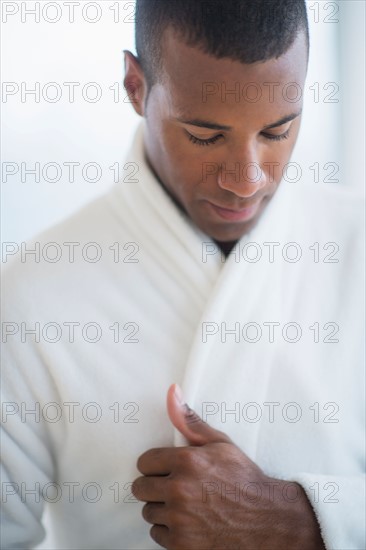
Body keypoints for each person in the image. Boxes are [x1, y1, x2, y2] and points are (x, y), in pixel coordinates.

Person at [1, 1, 364, 549]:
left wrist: (303, 520)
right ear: (135, 86)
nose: (246, 180)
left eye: (278, 130)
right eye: (204, 136)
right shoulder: (28, 296)